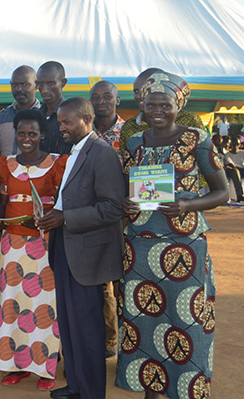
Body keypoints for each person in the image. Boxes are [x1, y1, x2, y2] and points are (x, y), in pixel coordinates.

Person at [116, 72, 228, 399]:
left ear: (178, 105)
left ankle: (186, 388)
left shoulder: (197, 139)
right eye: (151, 104)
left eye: (165, 104)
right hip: (140, 245)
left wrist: (189, 204)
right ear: (143, 105)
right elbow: (131, 188)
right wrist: (126, 200)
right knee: (143, 319)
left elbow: (222, 191)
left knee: (186, 318)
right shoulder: (136, 141)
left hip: (184, 246)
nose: (158, 110)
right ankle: (152, 388)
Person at [34, 97, 126, 399]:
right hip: (65, 244)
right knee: (71, 323)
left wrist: (65, 217)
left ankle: (90, 392)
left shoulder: (102, 154)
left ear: (87, 119)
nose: (61, 128)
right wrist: (52, 214)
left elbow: (113, 208)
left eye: (67, 122)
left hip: (87, 253)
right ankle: (76, 385)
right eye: (60, 123)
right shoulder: (74, 152)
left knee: (87, 327)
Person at [0, 109, 66, 391]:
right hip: (12, 244)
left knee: (44, 306)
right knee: (12, 303)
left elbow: (62, 204)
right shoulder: (5, 164)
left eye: (32, 134)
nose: (26, 139)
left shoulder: (57, 164)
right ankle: (15, 365)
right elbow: (1, 201)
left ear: (43, 135)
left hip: (45, 243)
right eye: (21, 133)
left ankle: (46, 369)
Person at [89, 79, 126, 359]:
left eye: (107, 96)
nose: (101, 101)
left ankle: (129, 343)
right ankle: (109, 341)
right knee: (100, 282)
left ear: (118, 101)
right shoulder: (84, 134)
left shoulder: (131, 134)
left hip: (123, 219)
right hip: (91, 218)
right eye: (95, 97)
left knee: (124, 281)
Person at [119, 68, 207, 157]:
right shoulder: (129, 128)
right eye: (137, 91)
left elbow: (207, 162)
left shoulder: (189, 121)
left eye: (147, 89)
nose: (140, 96)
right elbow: (127, 167)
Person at [0, 65, 41, 163]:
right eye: (14, 85)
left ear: (36, 85)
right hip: (5, 176)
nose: (19, 89)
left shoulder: (45, 116)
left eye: (25, 84)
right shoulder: (0, 118)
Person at [36, 61, 71, 155]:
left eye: (50, 83)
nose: (44, 90)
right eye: (40, 84)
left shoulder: (73, 115)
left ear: (63, 83)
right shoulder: (35, 116)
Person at [226, 136, 244, 202]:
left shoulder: (242, 153)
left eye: (237, 144)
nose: (235, 146)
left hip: (242, 171)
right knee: (235, 171)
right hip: (234, 172)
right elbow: (232, 166)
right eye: (233, 144)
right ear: (230, 145)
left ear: (239, 145)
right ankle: (239, 195)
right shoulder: (227, 155)